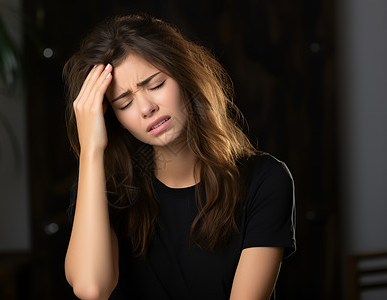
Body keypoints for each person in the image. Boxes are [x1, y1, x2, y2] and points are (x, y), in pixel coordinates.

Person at [63, 13, 296, 300]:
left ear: (184, 76)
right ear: (112, 118)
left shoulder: (264, 179)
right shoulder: (102, 188)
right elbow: (92, 288)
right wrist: (91, 149)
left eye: (156, 85)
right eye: (125, 103)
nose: (146, 108)